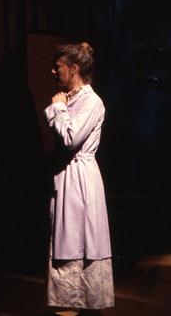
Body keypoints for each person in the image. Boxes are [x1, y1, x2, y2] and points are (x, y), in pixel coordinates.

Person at [44, 42, 114, 312]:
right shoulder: (69, 98)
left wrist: (58, 109)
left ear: (73, 68)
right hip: (66, 176)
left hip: (80, 179)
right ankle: (67, 304)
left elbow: (71, 138)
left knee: (80, 238)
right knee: (65, 239)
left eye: (58, 66)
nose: (53, 71)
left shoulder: (92, 101)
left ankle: (84, 302)